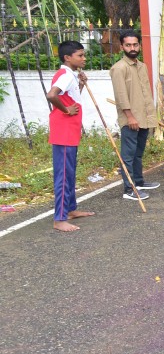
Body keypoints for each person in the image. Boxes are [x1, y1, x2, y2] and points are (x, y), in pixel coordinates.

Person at [46, 41, 94, 231]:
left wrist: (81, 84)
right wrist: (66, 110)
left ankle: (70, 209)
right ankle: (59, 219)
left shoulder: (70, 76)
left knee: (69, 172)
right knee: (64, 175)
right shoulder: (64, 75)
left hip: (69, 130)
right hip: (63, 131)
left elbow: (72, 98)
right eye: (80, 55)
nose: (83, 58)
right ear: (67, 57)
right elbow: (51, 95)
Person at [110, 30, 160, 199]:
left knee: (138, 153)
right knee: (128, 156)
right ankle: (129, 189)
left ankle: (138, 181)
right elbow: (121, 95)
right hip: (131, 119)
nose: (132, 48)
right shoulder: (119, 68)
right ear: (122, 46)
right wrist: (130, 117)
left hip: (144, 117)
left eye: (135, 44)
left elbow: (145, 92)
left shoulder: (142, 66)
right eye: (128, 45)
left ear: (139, 45)